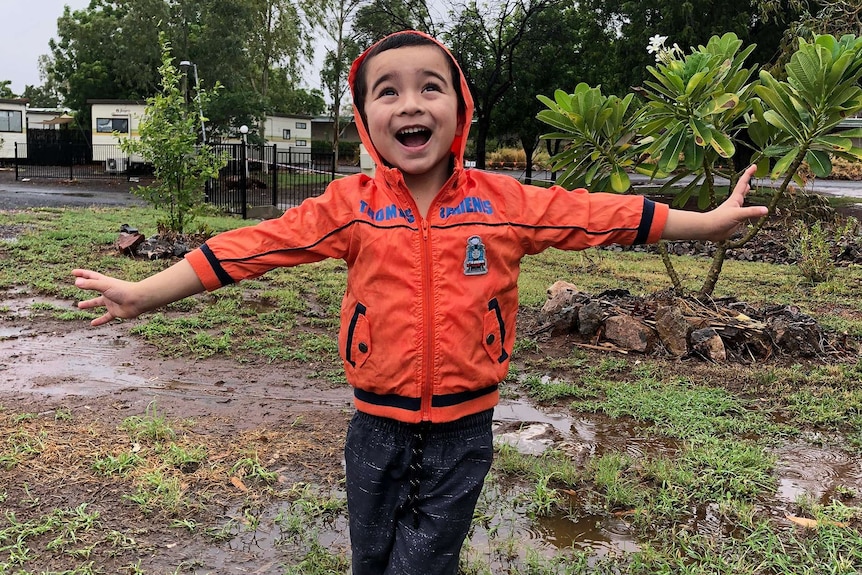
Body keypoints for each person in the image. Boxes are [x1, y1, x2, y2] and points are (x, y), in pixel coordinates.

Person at [73, 30, 768, 575]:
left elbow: (599, 214)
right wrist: (141, 294)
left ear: (460, 108)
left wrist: (705, 223)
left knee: (423, 565)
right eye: (388, 92)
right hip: (374, 428)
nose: (410, 103)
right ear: (364, 118)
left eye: (430, 87)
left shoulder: (504, 204)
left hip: (463, 434)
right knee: (371, 558)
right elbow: (250, 248)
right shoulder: (351, 207)